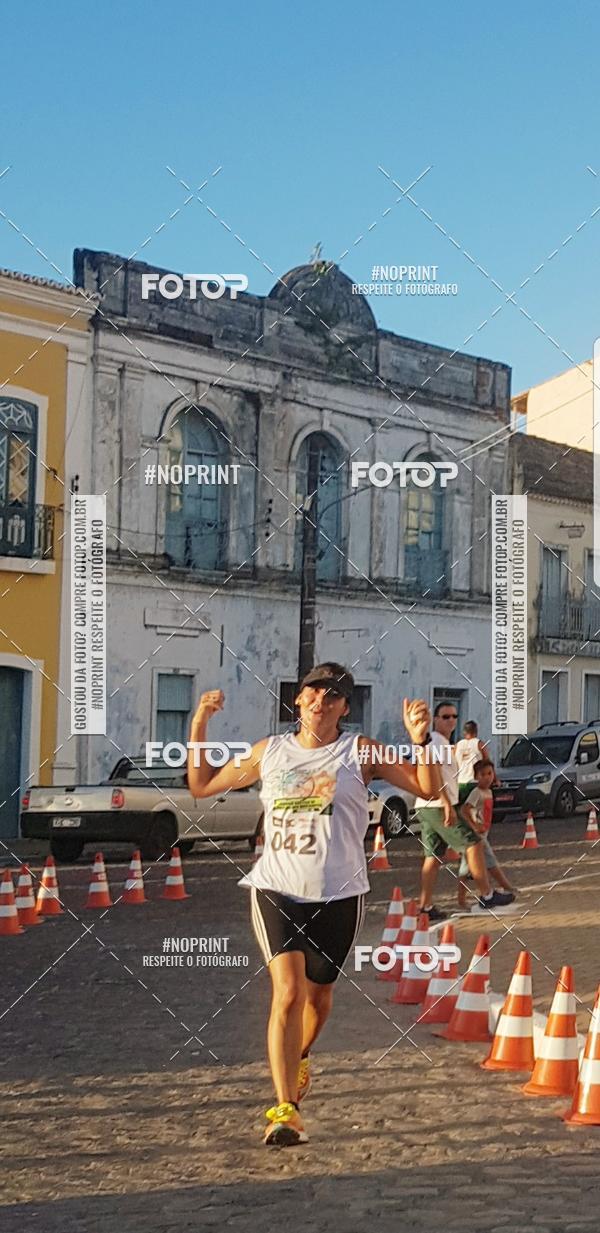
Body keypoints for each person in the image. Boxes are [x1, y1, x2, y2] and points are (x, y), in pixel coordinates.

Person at [187, 662, 447, 1147]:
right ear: (298, 700)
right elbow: (202, 785)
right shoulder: (271, 752)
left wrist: (422, 738)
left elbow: (428, 788)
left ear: (344, 707)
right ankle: (285, 1109)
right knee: (286, 992)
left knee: (318, 997)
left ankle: (299, 1054)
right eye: (313, 694)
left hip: (340, 893)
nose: (320, 703)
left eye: (332, 697)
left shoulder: (361, 750)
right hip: (276, 888)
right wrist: (200, 723)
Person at [415, 700, 515, 920]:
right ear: (435, 719)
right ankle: (487, 895)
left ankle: (425, 906)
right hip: (437, 805)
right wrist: (447, 804)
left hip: (426, 805)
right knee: (473, 843)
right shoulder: (436, 743)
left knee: (433, 856)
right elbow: (433, 774)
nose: (450, 720)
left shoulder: (445, 743)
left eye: (454, 716)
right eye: (445, 716)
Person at [456, 759, 516, 910]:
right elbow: (464, 809)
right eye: (483, 774)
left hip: (483, 834)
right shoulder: (476, 793)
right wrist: (475, 825)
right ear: (476, 777)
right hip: (477, 837)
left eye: (490, 773)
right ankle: (507, 888)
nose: (487, 777)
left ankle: (461, 899)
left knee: (465, 868)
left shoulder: (488, 792)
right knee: (490, 862)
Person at [455, 720, 490, 786]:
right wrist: (495, 780)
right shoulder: (479, 744)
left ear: (464, 732)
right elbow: (487, 764)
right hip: (475, 782)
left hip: (460, 782)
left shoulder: (457, 746)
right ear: (476, 731)